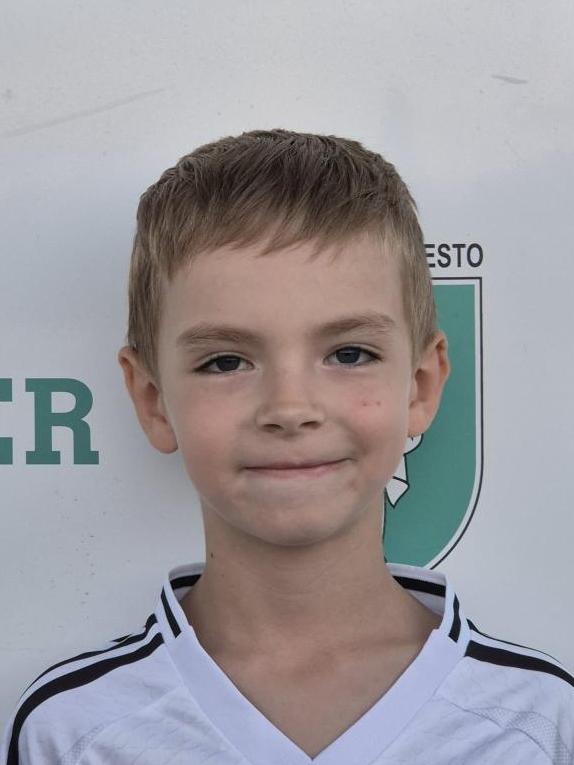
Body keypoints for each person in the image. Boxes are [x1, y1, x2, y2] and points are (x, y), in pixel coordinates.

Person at [2, 128, 573, 764]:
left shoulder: (541, 722)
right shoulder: (71, 731)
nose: (290, 409)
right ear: (153, 399)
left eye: (349, 354)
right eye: (225, 362)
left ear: (420, 385)